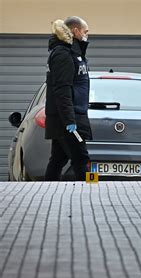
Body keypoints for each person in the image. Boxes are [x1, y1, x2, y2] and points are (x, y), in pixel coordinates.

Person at [44, 16, 92, 181]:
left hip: (71, 116)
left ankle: (46, 195)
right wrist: (69, 120)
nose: (87, 35)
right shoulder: (63, 54)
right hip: (69, 120)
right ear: (76, 31)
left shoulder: (74, 54)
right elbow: (62, 90)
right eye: (85, 32)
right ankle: (94, 191)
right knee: (82, 159)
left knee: (58, 159)